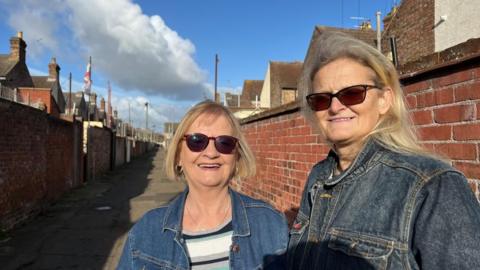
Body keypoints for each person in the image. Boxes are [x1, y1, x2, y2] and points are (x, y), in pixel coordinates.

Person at [287, 31, 480, 269]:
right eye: (321, 99)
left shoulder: (432, 185)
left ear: (384, 100)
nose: (335, 107)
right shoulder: (319, 175)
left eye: (352, 93)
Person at [118, 100, 288, 270]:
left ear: (237, 156)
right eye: (197, 141)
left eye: (225, 143)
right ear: (178, 156)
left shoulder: (271, 225)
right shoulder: (145, 233)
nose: (211, 153)